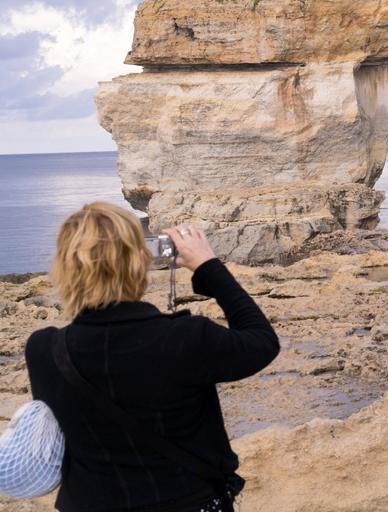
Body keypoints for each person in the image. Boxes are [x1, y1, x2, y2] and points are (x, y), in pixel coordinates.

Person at [24, 202, 280, 512]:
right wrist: (209, 265)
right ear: (140, 259)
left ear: (64, 266)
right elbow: (262, 341)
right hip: (188, 502)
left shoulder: (43, 350)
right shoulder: (186, 338)